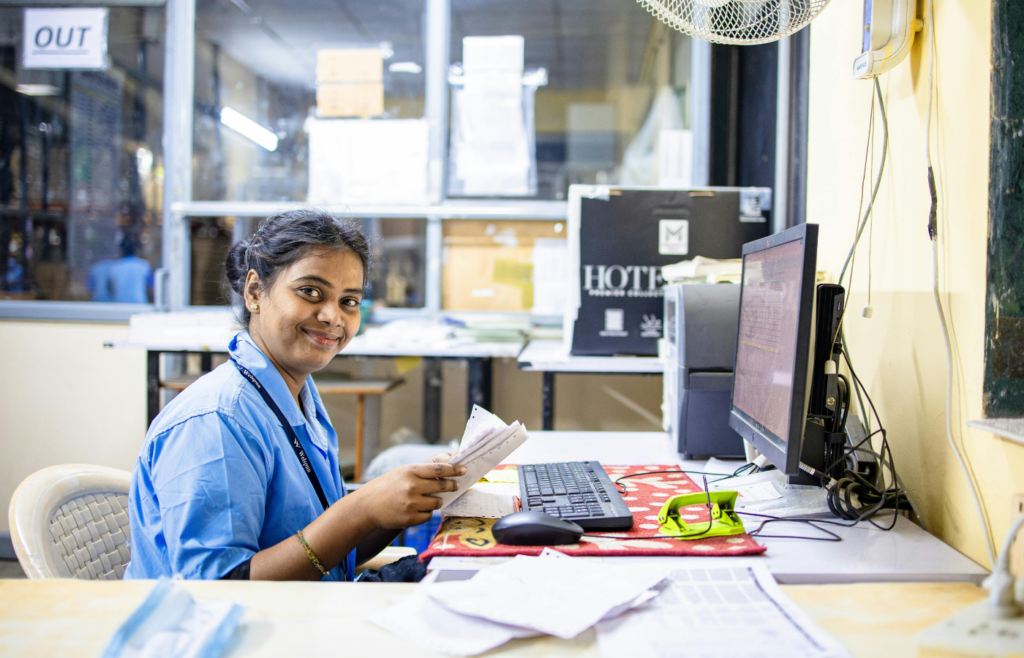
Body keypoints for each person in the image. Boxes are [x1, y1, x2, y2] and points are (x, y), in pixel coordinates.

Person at [125, 209, 463, 581]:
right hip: (222, 631)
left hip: (306, 611)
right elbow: (219, 587)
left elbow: (329, 553)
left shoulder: (297, 396)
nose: (333, 316)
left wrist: (399, 503)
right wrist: (361, 509)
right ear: (255, 291)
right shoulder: (218, 419)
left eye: (349, 301)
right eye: (310, 292)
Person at [108, 238, 153, 303]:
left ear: (122, 251)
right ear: (135, 251)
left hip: (119, 305)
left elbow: (110, 289)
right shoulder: (144, 266)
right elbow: (151, 288)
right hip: (139, 304)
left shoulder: (114, 267)